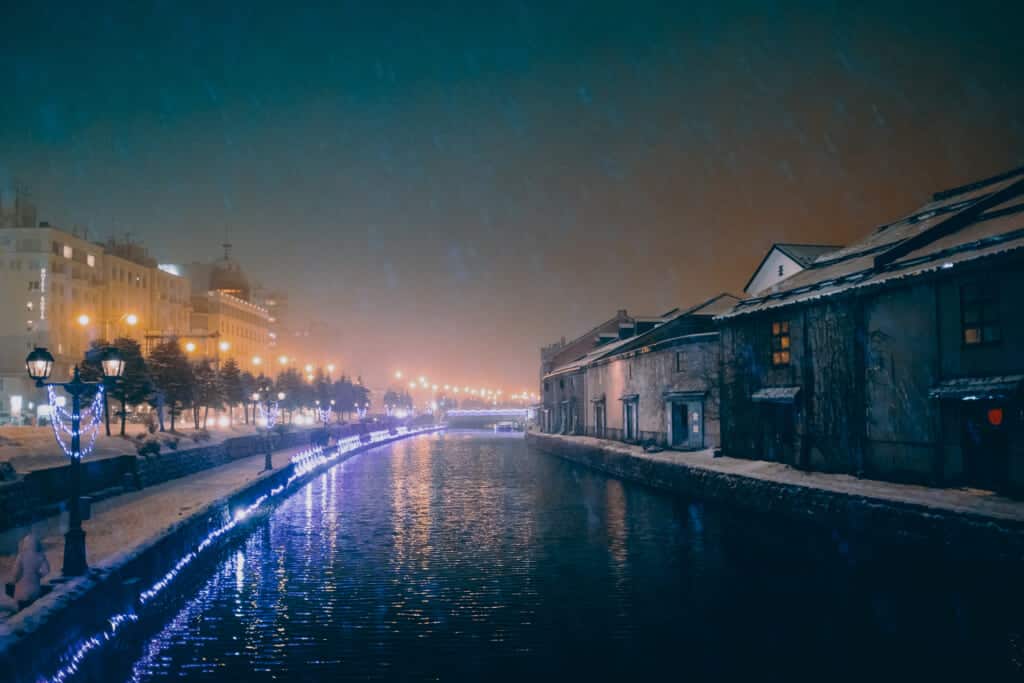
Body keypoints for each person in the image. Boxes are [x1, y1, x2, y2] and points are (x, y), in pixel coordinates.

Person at [9, 533, 50, 610]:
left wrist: (14, 580)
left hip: (21, 591)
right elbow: (46, 571)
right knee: (33, 610)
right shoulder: (40, 556)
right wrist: (37, 575)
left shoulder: (21, 556)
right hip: (35, 590)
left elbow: (16, 573)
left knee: (22, 612)